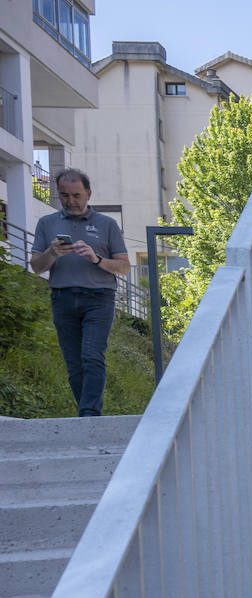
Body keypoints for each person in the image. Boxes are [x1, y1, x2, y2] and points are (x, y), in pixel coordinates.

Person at [28, 168, 131, 417]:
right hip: (62, 298)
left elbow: (125, 267)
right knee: (74, 363)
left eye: (76, 195)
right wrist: (52, 253)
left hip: (99, 298)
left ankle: (89, 414)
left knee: (91, 355)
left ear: (88, 194)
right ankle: (85, 412)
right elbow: (36, 267)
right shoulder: (47, 223)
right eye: (64, 196)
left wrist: (96, 259)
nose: (71, 201)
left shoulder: (107, 224)